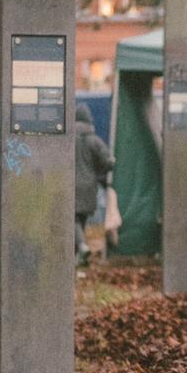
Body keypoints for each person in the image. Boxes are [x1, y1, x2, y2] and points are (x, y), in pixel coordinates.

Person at [73, 104, 114, 265]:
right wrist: (98, 174)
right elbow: (108, 162)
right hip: (90, 186)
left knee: (72, 218)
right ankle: (79, 257)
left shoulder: (68, 140)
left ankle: (82, 247)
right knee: (80, 219)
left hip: (71, 185)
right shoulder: (95, 141)